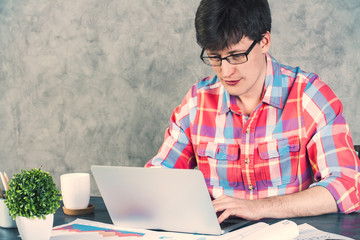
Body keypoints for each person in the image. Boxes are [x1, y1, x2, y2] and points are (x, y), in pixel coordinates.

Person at [145, 0, 360, 223]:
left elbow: (347, 185)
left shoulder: (309, 96)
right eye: (215, 58)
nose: (226, 71)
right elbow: (160, 175)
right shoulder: (196, 102)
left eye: (237, 55)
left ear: (264, 41)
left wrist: (260, 208)